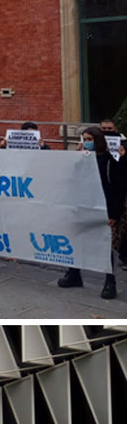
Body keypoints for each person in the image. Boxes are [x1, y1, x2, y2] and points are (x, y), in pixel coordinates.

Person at [58, 125, 127, 299]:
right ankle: (73, 274)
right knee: (76, 240)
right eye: (84, 139)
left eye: (89, 139)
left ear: (98, 140)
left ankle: (110, 282)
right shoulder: (82, 159)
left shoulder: (110, 162)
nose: (87, 143)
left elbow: (117, 191)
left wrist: (113, 215)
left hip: (103, 210)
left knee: (105, 247)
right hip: (81, 207)